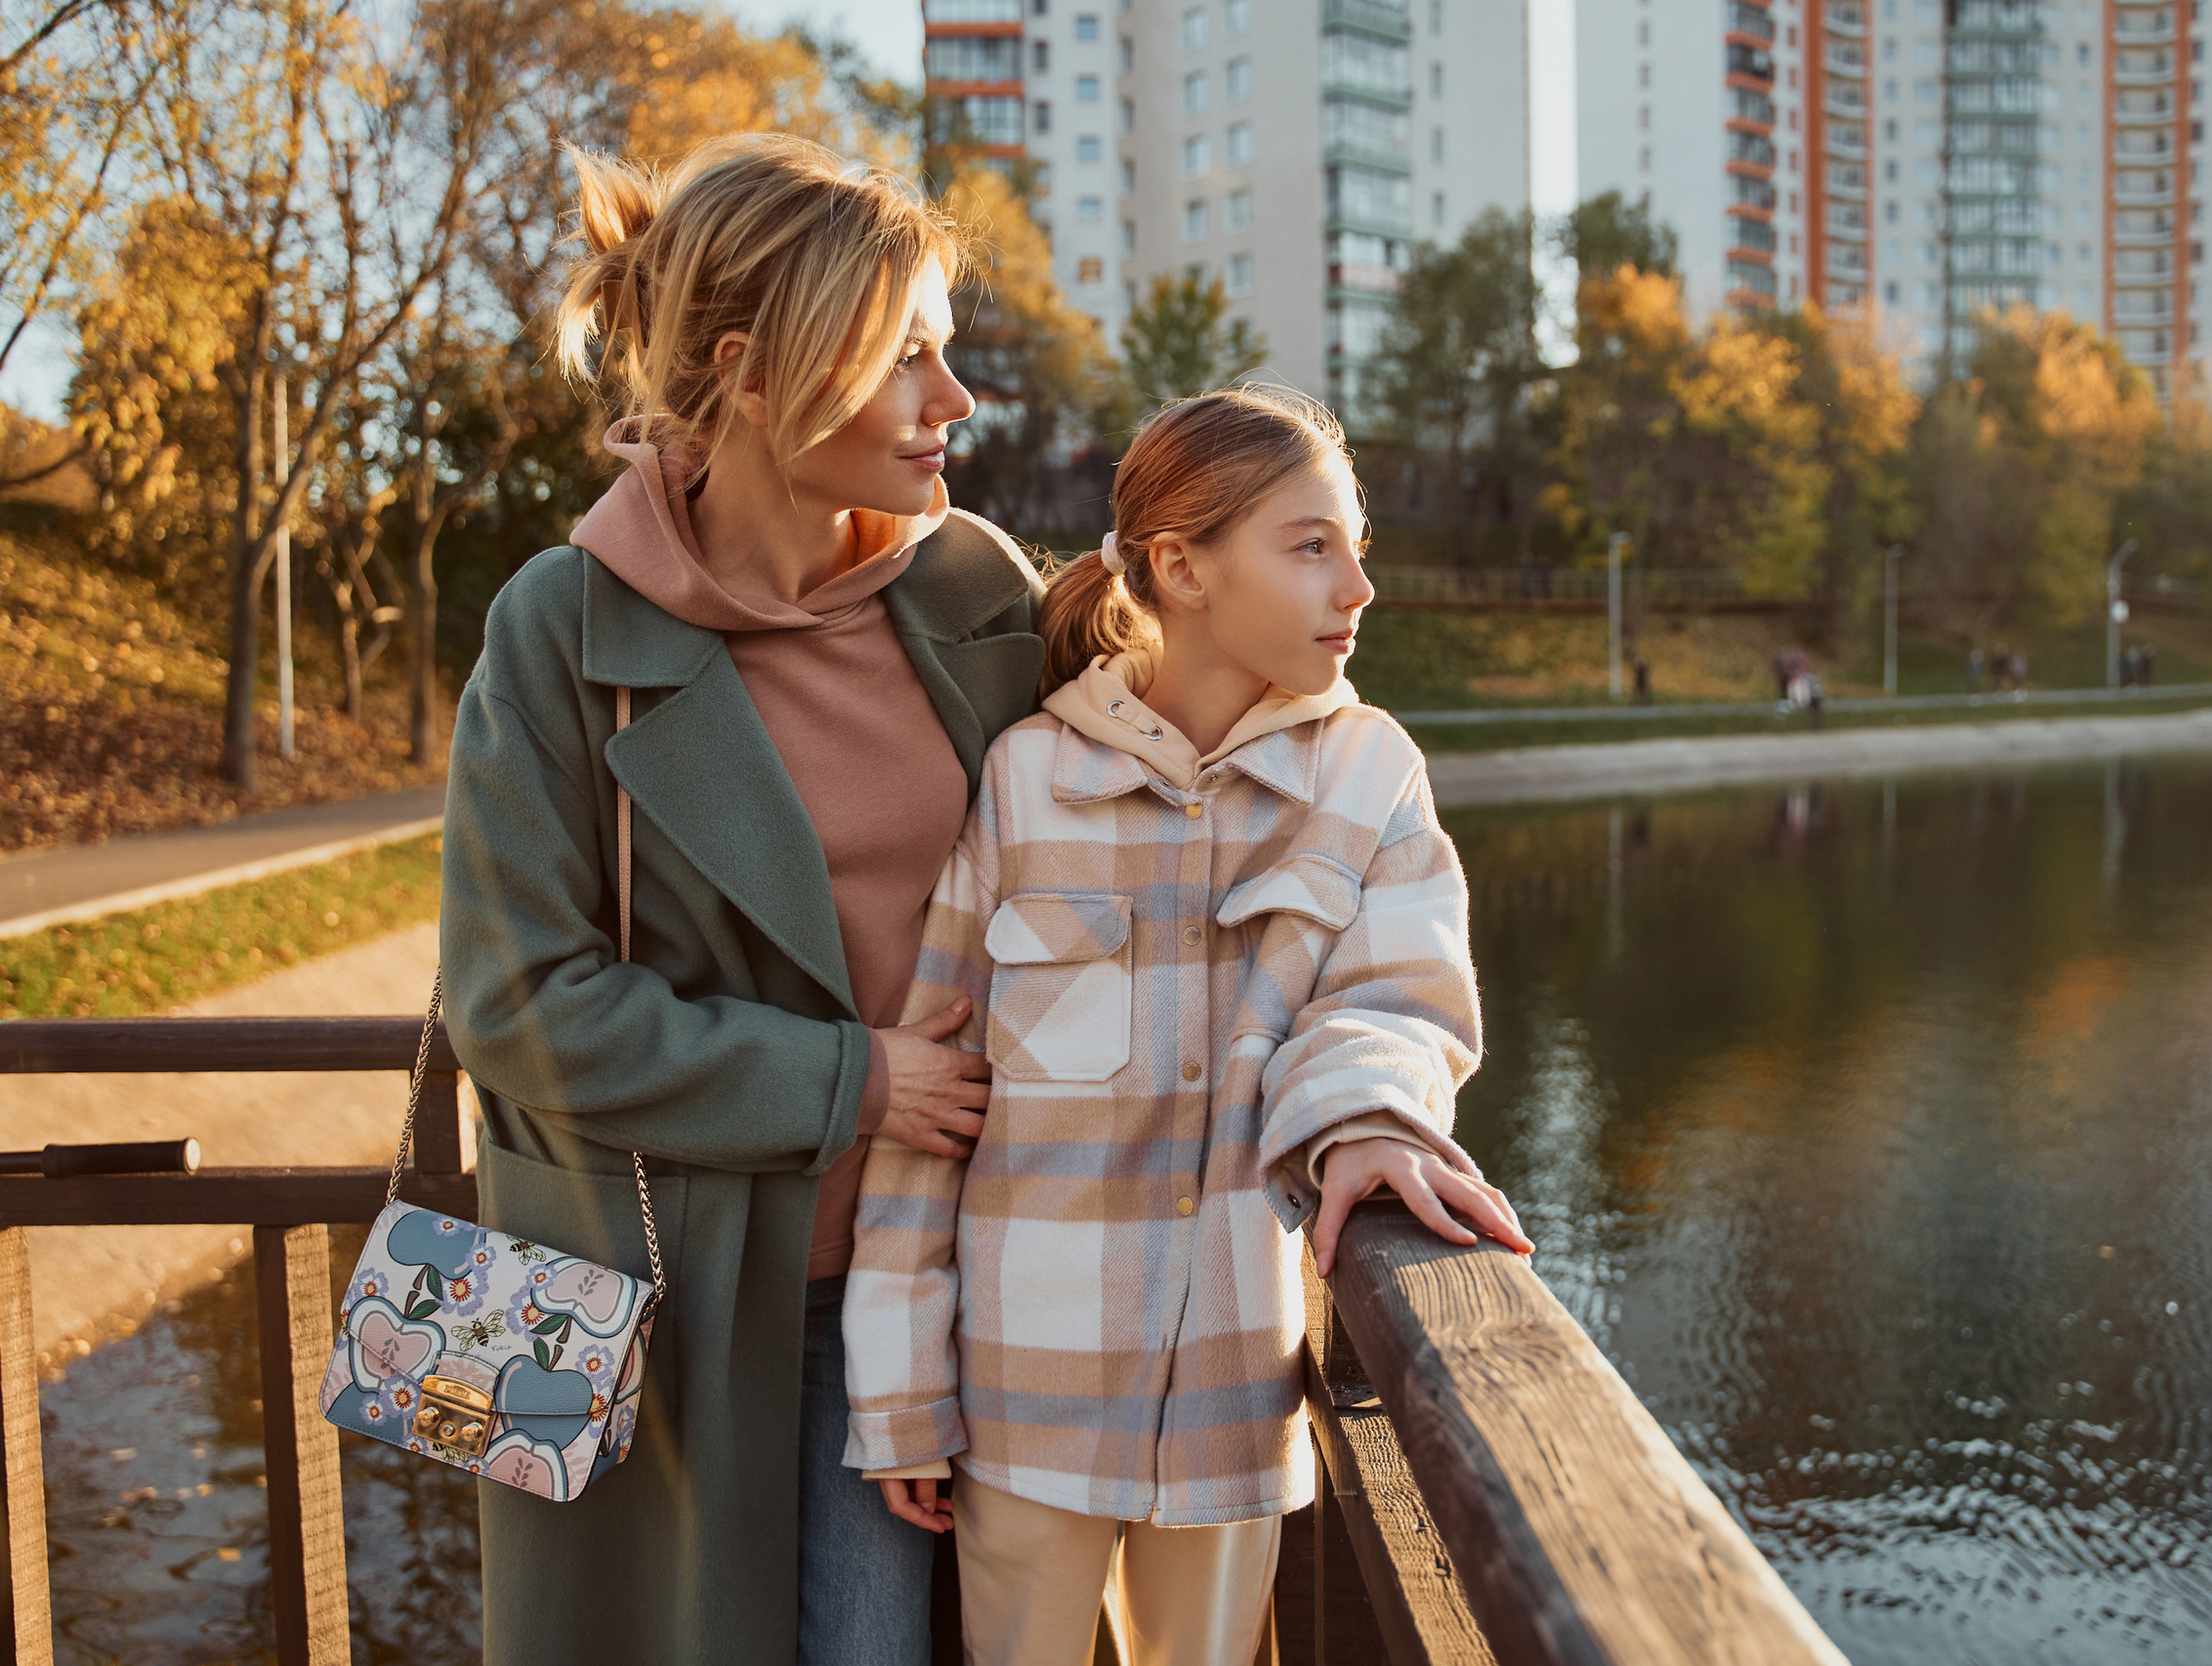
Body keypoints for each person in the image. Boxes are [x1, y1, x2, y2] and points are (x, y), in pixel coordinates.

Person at [437, 134, 1047, 1666]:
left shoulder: (977, 593)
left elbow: (1177, 834)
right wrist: (855, 1081)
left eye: (948, 354)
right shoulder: (558, 631)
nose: (953, 402)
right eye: (907, 357)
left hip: (935, 1296)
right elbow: (516, 1003)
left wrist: (1361, 1098)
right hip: (660, 1298)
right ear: (757, 376)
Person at [841, 389, 1531, 1665]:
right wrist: (902, 1392)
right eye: (1312, 544)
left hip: (1231, 1401)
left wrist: (1374, 1124)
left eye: (1355, 544)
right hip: (1019, 1401)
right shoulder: (1025, 779)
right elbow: (929, 1101)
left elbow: (1396, 1002)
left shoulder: (1371, 773)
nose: (1359, 586)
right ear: (1182, 566)